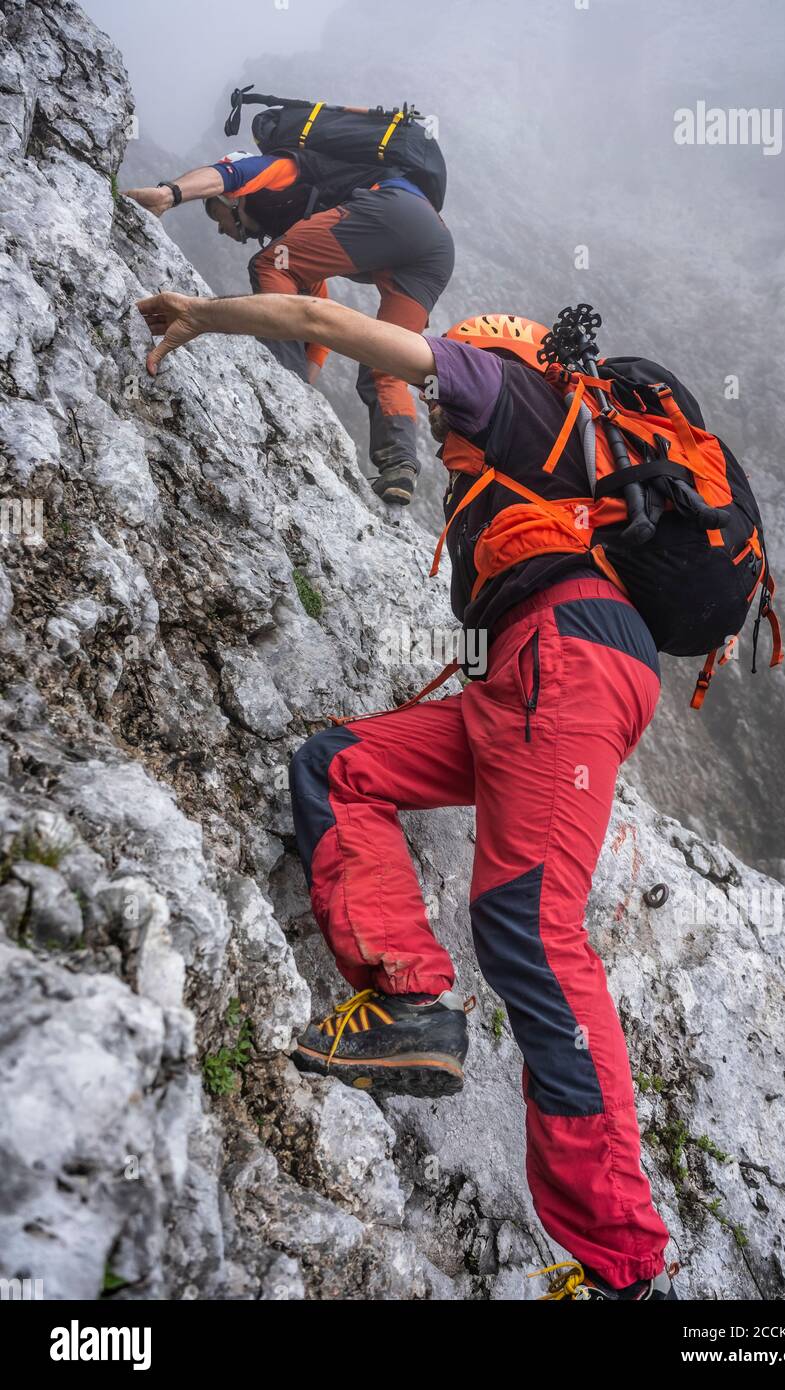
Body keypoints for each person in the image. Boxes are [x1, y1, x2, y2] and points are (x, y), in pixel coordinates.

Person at [136, 290, 676, 1302]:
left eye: (436, 390)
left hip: (556, 668)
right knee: (339, 763)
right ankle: (410, 1007)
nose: (429, 409)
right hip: (527, 680)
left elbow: (323, 316)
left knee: (530, 929)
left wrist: (207, 315)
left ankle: (623, 1268)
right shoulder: (545, 454)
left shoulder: (501, 388)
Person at [126, 146, 455, 506]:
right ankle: (399, 465)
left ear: (235, 201)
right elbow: (316, 305)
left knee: (271, 265)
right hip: (434, 244)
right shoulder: (300, 229)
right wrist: (305, 391)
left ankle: (281, 376)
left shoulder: (289, 169)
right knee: (388, 358)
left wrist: (169, 194)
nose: (220, 229)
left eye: (216, 212)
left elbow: (233, 173)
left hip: (397, 211)